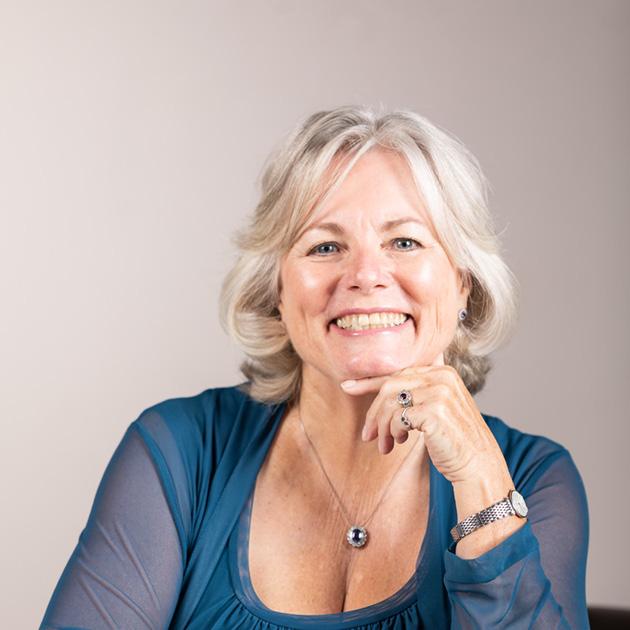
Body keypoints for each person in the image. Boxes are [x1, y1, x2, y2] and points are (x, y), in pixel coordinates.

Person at [40, 105, 590, 629]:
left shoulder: (533, 478)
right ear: (276, 290)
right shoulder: (181, 452)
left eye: (404, 241)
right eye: (325, 247)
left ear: (463, 283)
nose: (366, 275)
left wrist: (481, 484)